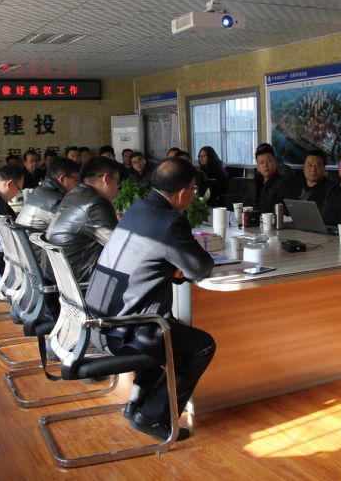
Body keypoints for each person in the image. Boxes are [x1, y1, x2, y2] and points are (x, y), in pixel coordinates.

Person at [85, 157, 215, 442]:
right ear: (183, 191)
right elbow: (200, 268)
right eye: (193, 189)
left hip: (100, 321)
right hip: (127, 330)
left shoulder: (138, 209)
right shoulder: (170, 221)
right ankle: (152, 416)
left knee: (172, 330)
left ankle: (137, 404)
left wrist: (173, 268)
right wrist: (181, 266)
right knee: (201, 345)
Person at [45, 156, 118, 284]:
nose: (118, 188)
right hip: (80, 284)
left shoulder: (74, 194)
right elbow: (119, 247)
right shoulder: (95, 203)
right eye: (117, 182)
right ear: (106, 179)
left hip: (60, 278)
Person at [16, 157, 80, 233]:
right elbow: (72, 227)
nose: (78, 183)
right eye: (76, 179)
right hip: (34, 239)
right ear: (62, 179)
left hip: (24, 238)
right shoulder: (57, 200)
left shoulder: (38, 190)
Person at [242, 144, 295, 213]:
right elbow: (245, 205)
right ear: (258, 167)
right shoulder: (254, 183)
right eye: (261, 163)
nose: (265, 165)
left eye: (269, 161)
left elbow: (280, 209)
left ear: (275, 163)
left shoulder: (283, 184)